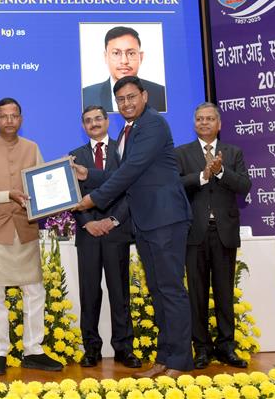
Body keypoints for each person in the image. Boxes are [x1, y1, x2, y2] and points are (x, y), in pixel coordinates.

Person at [74, 76, 193, 378]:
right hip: (147, 222)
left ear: (144, 96)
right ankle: (165, 358)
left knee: (171, 290)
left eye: (131, 97)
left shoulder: (152, 124)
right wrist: (88, 173)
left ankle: (179, 361)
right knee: (159, 290)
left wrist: (92, 200)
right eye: (121, 100)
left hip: (165, 219)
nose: (126, 103)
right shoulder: (130, 129)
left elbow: (130, 171)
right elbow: (123, 172)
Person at [0, 97, 63, 376]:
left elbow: (43, 187)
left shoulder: (32, 148)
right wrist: (6, 195)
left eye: (14, 115)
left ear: (21, 119)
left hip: (24, 228)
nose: (9, 120)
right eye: (4, 116)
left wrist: (57, 196)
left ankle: (33, 350)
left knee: (34, 290)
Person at [175, 102, 251, 369]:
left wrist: (220, 171)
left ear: (219, 124)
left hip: (224, 233)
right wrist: (203, 175)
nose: (204, 123)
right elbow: (175, 185)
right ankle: (202, 348)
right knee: (196, 294)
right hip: (194, 234)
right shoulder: (181, 153)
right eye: (199, 119)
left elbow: (244, 185)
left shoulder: (233, 152)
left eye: (209, 119)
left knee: (224, 292)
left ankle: (226, 347)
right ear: (194, 123)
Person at [70, 105, 141, 369]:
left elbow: (130, 190)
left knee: (119, 293)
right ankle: (91, 349)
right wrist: (88, 223)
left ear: (107, 121)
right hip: (88, 233)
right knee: (89, 293)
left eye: (98, 118)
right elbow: (71, 196)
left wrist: (112, 221)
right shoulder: (74, 157)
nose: (94, 123)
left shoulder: (124, 153)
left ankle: (124, 348)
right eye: (88, 120)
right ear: (83, 126)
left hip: (116, 231)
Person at [82, 26, 166, 112]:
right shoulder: (85, 96)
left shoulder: (162, 94)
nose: (124, 61)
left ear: (141, 57)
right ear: (105, 57)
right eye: (116, 53)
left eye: (131, 53)